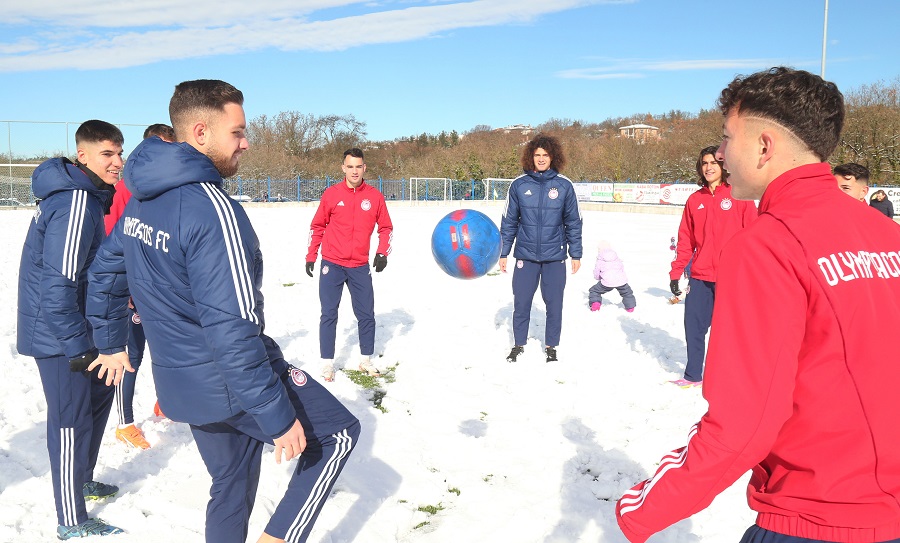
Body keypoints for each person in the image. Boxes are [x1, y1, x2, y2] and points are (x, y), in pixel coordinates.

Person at [617, 67, 900, 543]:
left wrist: (641, 509)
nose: (722, 153)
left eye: (728, 138)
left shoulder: (766, 245)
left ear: (765, 147)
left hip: (816, 518)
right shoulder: (886, 235)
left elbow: (742, 425)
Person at [86, 79, 360, 543]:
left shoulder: (143, 200)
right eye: (237, 132)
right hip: (230, 383)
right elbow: (232, 328)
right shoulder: (214, 210)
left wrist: (112, 342)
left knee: (230, 485)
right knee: (338, 437)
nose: (246, 143)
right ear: (200, 132)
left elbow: (104, 276)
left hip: (183, 386)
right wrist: (275, 414)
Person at [16, 120, 124, 538]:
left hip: (82, 328)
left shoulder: (87, 196)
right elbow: (59, 282)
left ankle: (81, 478)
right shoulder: (77, 201)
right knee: (69, 418)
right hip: (62, 335)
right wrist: (78, 344)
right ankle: (70, 519)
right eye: (106, 154)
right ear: (83, 155)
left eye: (119, 153)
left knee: (98, 401)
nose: (117, 162)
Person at [103, 123, 176, 450]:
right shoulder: (122, 192)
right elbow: (110, 247)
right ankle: (124, 423)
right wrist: (126, 292)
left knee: (166, 350)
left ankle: (165, 401)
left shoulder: (169, 190)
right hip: (134, 296)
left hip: (163, 294)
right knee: (131, 356)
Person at [668, 145, 756, 387]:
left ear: (724, 166)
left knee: (729, 332)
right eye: (704, 163)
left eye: (714, 163)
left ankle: (730, 377)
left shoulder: (740, 196)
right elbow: (686, 240)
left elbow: (754, 235)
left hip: (732, 277)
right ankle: (693, 375)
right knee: (693, 327)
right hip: (700, 276)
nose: (708, 167)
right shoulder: (695, 200)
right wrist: (676, 272)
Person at [305, 147, 393, 382]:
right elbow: (318, 226)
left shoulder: (375, 197)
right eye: (350, 166)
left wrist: (382, 252)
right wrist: (311, 255)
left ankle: (365, 360)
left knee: (366, 314)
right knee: (329, 314)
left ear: (365, 168)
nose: (354, 171)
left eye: (359, 166)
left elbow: (386, 228)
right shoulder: (331, 194)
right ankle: (327, 364)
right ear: (343, 168)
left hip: (359, 266)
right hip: (332, 264)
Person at [499, 133, 583, 363]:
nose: (541, 159)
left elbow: (573, 222)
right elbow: (509, 221)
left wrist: (575, 253)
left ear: (553, 156)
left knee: (554, 304)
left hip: (555, 257)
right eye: (537, 155)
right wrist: (503, 251)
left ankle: (551, 346)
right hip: (525, 256)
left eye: (545, 155)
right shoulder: (519, 185)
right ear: (531, 157)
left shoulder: (565, 186)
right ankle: (518, 344)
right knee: (521, 302)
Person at [588, 241, 635, 312]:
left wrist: (598, 278)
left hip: (606, 282)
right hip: (621, 280)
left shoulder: (600, 260)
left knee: (594, 290)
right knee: (627, 293)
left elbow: (597, 271)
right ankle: (630, 307)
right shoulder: (616, 258)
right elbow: (622, 268)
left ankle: (595, 303)